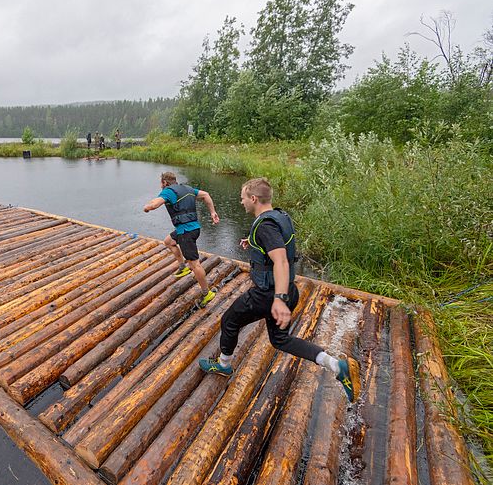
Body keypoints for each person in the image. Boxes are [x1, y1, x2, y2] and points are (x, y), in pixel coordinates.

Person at [198, 178, 361, 402]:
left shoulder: (265, 226)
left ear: (253, 198)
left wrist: (279, 300)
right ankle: (335, 365)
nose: (241, 201)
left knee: (229, 320)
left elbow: (282, 261)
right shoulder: (280, 216)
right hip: (286, 290)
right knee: (280, 340)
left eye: (243, 197)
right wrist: (253, 242)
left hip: (269, 295)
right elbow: (278, 244)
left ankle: (223, 365)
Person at [144, 171, 220, 308]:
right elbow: (206, 195)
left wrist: (147, 207)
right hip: (192, 229)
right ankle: (182, 267)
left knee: (195, 264)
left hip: (186, 232)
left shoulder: (168, 191)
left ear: (165, 183)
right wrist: (213, 212)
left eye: (161, 183)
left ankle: (206, 293)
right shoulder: (188, 189)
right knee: (168, 242)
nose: (161, 185)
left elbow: (155, 204)